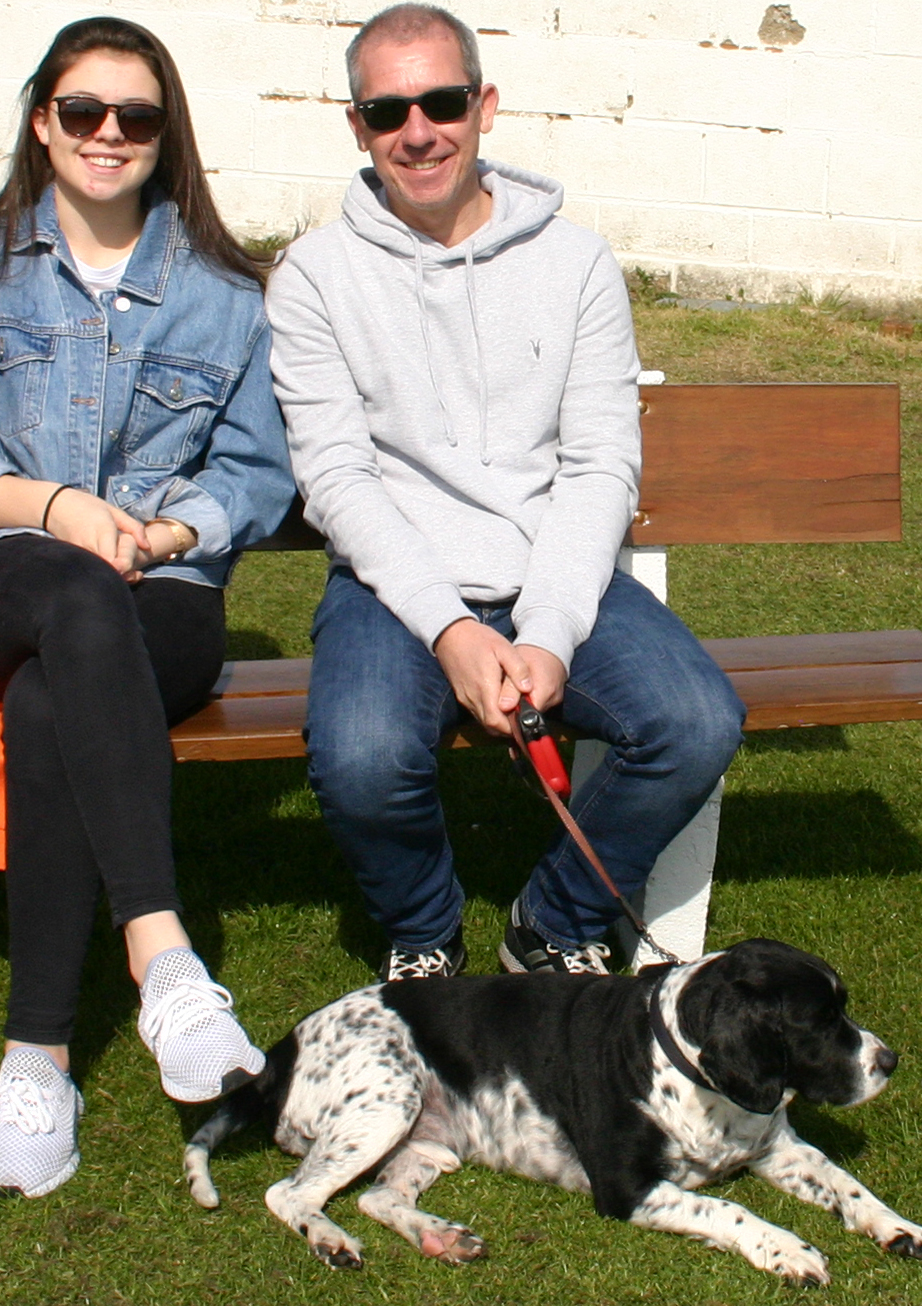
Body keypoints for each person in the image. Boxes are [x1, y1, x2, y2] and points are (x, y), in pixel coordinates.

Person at [267, 4, 746, 984]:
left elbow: (599, 464)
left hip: (550, 570)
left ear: (482, 106)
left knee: (695, 721)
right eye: (386, 109)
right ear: (355, 125)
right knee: (358, 757)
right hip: (393, 582)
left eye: (440, 101)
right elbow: (337, 480)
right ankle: (422, 934)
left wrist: (546, 633)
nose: (417, 130)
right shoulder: (313, 275)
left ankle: (552, 920)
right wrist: (450, 630)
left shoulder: (574, 263)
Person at [0, 16, 294, 1199]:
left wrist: (173, 530)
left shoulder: (227, 292)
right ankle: (162, 955)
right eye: (84, 112)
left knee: (47, 703)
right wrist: (61, 508)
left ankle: (36, 1056)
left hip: (167, 593)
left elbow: (256, 477)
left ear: (164, 131)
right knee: (70, 590)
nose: (109, 135)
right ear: (42, 121)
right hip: (3, 573)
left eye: (136, 116)